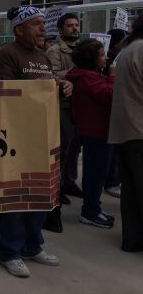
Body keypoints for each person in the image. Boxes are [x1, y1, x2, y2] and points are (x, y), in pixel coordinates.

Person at [0, 6, 72, 278]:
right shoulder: (7, 54)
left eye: (42, 24)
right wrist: (46, 88)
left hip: (44, 136)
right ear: (19, 29)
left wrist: (62, 86)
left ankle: (32, 245)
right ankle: (9, 252)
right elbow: (5, 94)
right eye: (36, 24)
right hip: (16, 138)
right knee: (16, 196)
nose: (42, 29)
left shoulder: (41, 55)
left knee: (40, 193)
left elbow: (48, 87)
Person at [66, 39, 115, 229]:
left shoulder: (88, 75)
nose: (106, 58)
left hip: (98, 130)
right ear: (91, 59)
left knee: (96, 172)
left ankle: (94, 207)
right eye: (102, 55)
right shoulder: (88, 78)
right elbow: (108, 95)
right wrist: (112, 76)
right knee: (95, 173)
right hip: (96, 131)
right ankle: (90, 211)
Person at [108, 14, 143, 253]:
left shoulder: (129, 49)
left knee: (131, 191)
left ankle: (133, 240)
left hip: (125, 130)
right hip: (139, 129)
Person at [46, 13, 82, 202]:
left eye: (77, 25)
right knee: (63, 147)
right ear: (61, 29)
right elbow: (52, 75)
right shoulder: (54, 51)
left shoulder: (82, 49)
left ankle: (69, 181)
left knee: (75, 146)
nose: (75, 28)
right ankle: (57, 187)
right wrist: (78, 71)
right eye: (70, 26)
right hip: (62, 104)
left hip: (79, 105)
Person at [102, 28, 129, 198]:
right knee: (110, 150)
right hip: (109, 112)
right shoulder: (108, 62)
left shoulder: (122, 58)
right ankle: (111, 181)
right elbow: (107, 90)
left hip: (119, 109)